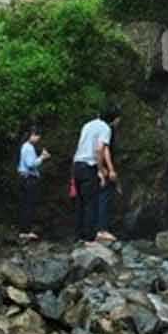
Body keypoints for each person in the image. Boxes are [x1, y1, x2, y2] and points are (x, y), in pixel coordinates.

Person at [72, 104, 120, 244]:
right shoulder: (105, 128)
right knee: (90, 203)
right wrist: (101, 169)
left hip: (77, 165)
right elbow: (100, 149)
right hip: (89, 166)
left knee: (80, 203)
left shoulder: (88, 125)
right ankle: (89, 238)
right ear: (114, 118)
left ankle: (79, 236)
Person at [16, 125, 49, 241]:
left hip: (23, 178)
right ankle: (26, 231)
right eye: (38, 136)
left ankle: (23, 230)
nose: (39, 139)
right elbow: (30, 164)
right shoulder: (28, 147)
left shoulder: (24, 146)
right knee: (28, 205)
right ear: (33, 135)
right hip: (29, 179)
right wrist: (42, 157)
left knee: (24, 204)